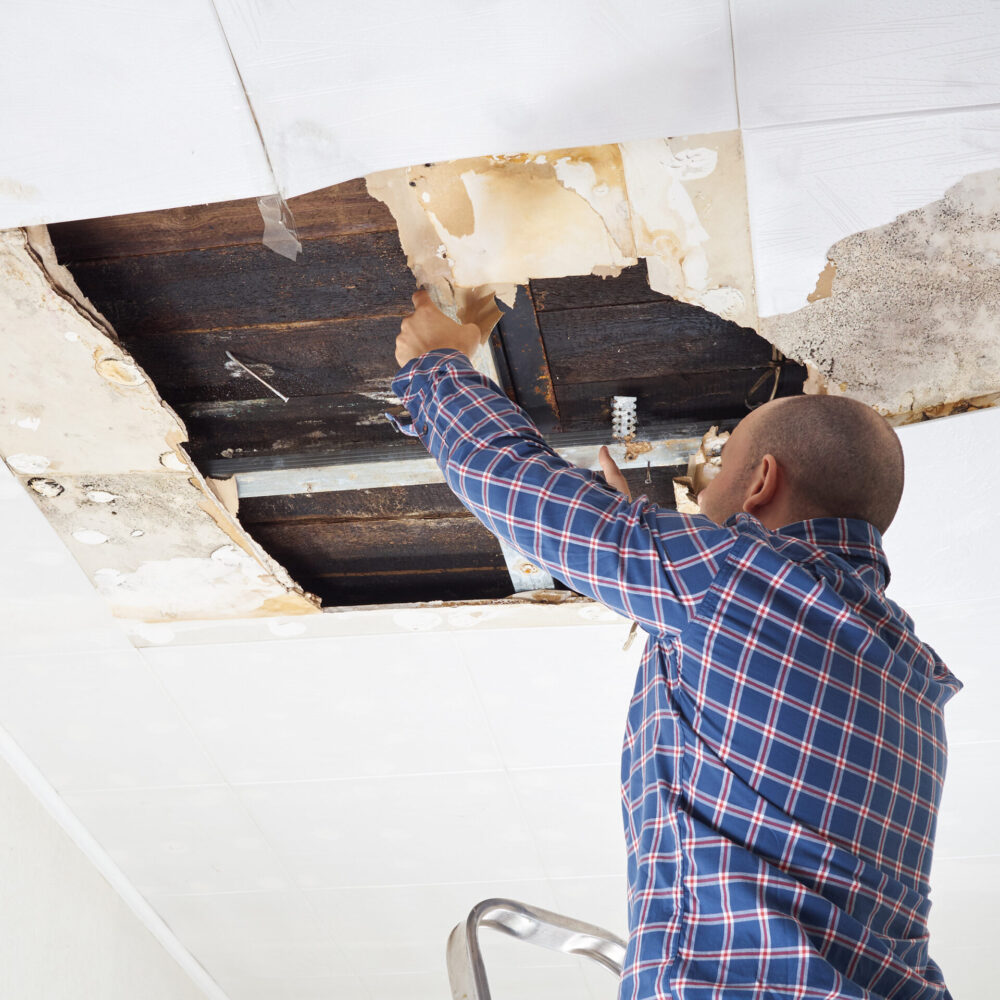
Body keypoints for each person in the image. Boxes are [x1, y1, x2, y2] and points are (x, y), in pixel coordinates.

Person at [389, 290, 961, 1000]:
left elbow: (512, 484)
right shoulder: (905, 678)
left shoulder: (731, 587)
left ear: (760, 482)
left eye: (721, 471)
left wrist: (437, 363)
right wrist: (664, 567)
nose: (708, 490)